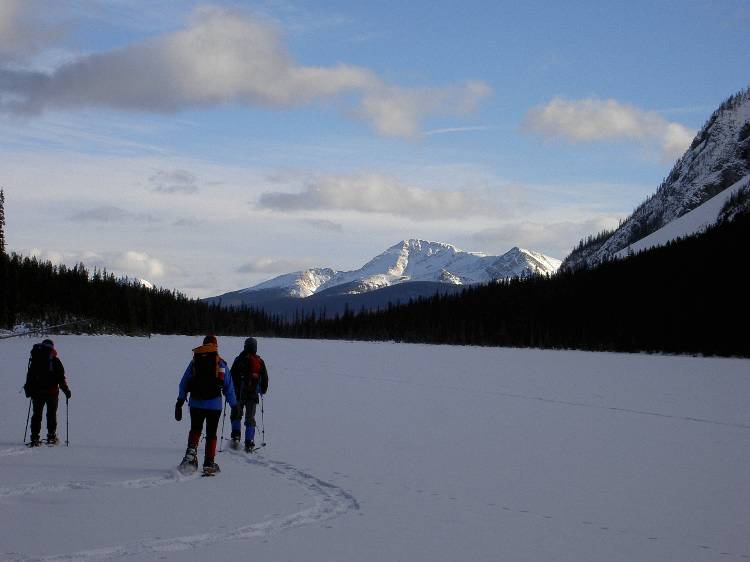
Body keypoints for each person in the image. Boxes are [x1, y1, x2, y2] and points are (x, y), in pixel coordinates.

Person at [175, 335, 236, 475]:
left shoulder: (195, 362)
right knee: (211, 433)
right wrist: (234, 406)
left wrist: (180, 401)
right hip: (214, 405)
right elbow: (229, 387)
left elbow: (184, 382)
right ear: (215, 346)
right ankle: (209, 462)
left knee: (195, 429)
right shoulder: (220, 363)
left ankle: (190, 459)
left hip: (196, 403)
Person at [24, 339, 71, 446]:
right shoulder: (55, 360)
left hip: (37, 392)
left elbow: (30, 376)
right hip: (52, 392)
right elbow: (61, 378)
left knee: (36, 415)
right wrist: (66, 390)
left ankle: (35, 438)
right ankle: (51, 436)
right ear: (52, 347)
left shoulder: (35, 359)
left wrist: (28, 389)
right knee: (51, 414)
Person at [229, 337, 269, 452]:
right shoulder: (260, 361)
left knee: (236, 414)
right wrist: (262, 390)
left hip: (238, 394)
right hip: (253, 395)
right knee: (250, 418)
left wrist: (230, 391)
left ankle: (236, 437)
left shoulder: (238, 360)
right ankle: (249, 442)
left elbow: (231, 376)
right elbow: (265, 379)